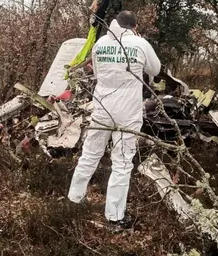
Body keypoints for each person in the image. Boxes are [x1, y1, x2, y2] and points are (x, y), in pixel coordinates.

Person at [67, 10, 161, 231]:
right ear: (134, 27)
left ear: (115, 24)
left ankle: (74, 199)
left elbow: (98, 74)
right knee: (122, 163)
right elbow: (155, 70)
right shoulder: (140, 43)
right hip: (128, 113)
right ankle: (115, 216)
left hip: (102, 109)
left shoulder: (100, 43)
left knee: (90, 155)